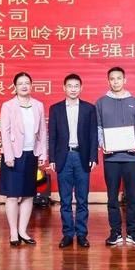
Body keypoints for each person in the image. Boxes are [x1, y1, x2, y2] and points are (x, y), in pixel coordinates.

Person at [96, 67, 135, 246]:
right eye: (112, 79)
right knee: (112, 197)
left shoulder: (134, 101)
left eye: (119, 78)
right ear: (108, 81)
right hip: (111, 158)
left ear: (125, 80)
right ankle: (115, 232)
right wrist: (103, 144)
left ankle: (133, 232)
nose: (115, 81)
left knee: (132, 197)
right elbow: (98, 128)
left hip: (131, 157)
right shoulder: (101, 102)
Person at [48, 74, 99, 249]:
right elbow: (52, 136)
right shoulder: (55, 109)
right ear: (64, 88)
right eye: (70, 86)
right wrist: (52, 158)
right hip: (63, 157)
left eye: (76, 86)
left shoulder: (89, 108)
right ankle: (68, 234)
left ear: (81, 88)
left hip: (82, 157)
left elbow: (93, 135)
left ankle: (82, 234)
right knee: (65, 200)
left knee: (83, 199)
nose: (73, 89)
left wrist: (93, 157)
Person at [0, 72, 47, 246]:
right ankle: (13, 232)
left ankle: (22, 231)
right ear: (15, 87)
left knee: (28, 194)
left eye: (27, 83)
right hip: (13, 155)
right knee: (12, 195)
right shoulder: (8, 106)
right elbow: (4, 132)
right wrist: (8, 155)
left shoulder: (38, 105)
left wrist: (42, 153)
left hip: (31, 153)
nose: (24, 86)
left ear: (31, 85)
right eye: (20, 83)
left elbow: (42, 131)